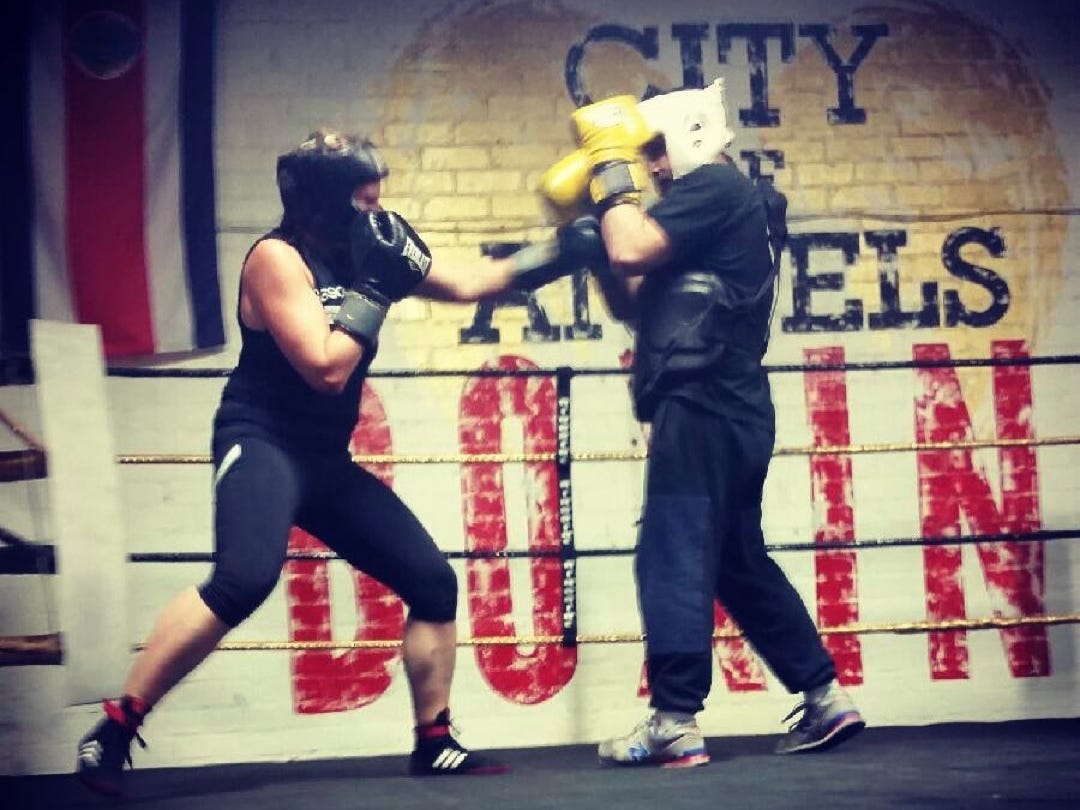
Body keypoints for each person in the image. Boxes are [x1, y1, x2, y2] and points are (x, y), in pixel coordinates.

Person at [75, 128, 601, 797]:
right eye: (363, 196)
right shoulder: (276, 260)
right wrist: (377, 288)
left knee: (433, 583)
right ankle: (115, 729)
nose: (377, 206)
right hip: (262, 440)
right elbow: (326, 369)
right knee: (242, 580)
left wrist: (556, 253)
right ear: (324, 203)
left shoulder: (372, 243)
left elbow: (471, 283)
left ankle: (433, 742)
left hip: (324, 459)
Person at [539, 80, 866, 767]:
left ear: (688, 134)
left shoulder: (715, 189)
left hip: (705, 399)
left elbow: (632, 247)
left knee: (672, 548)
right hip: (730, 402)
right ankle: (825, 696)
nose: (652, 168)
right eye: (642, 156)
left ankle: (674, 718)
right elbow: (637, 298)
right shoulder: (704, 215)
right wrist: (597, 242)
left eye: (654, 152)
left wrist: (607, 167)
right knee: (737, 562)